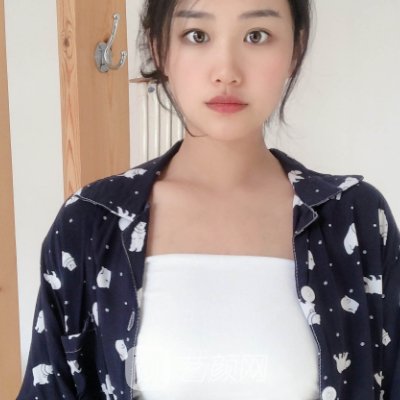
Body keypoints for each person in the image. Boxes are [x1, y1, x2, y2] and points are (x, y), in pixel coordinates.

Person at [17, 0, 399, 399]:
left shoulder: (354, 217)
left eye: (256, 36)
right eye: (197, 35)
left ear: (295, 48)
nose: (226, 71)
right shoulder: (93, 220)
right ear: (159, 48)